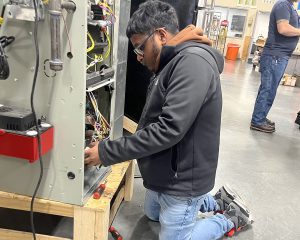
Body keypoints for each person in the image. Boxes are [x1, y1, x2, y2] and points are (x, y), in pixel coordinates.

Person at [85, 1, 252, 239]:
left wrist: (107, 152)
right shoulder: (171, 62)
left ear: (161, 35)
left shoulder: (193, 63)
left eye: (140, 48)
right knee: (153, 215)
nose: (139, 57)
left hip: (181, 178)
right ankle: (212, 201)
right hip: (164, 170)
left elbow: (168, 129)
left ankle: (229, 218)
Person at [250, 0, 300, 133]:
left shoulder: (290, 7)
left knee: (270, 89)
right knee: (268, 89)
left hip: (279, 56)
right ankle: (257, 121)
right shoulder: (283, 5)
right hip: (275, 56)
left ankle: (260, 117)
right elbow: (283, 28)